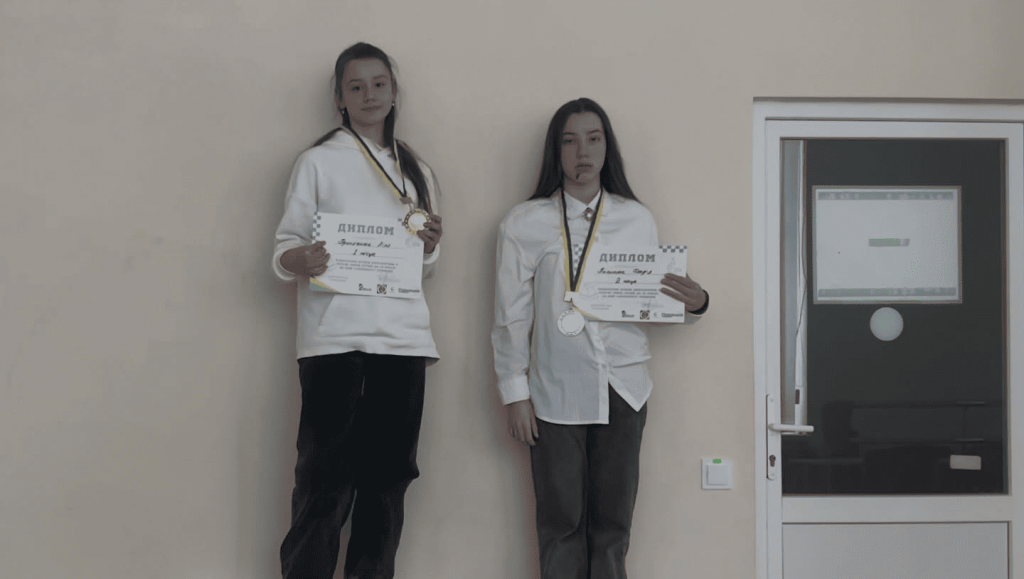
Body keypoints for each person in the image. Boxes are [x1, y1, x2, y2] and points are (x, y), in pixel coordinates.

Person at [492, 98, 708, 579]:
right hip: (554, 392)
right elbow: (510, 316)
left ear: (608, 147)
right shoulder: (524, 223)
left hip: (625, 388)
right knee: (561, 524)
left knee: (613, 527)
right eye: (569, 141)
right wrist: (515, 393)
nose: (582, 152)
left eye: (593, 139)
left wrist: (696, 304)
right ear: (555, 151)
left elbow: (649, 301)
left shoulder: (637, 219)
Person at [272, 42, 443, 579]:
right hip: (334, 342)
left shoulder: (418, 170)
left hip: (403, 343)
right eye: (356, 86)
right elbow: (285, 249)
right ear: (340, 99)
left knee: (388, 485)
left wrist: (430, 247)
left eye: (379, 84)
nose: (369, 94)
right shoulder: (317, 162)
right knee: (323, 483)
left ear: (393, 92)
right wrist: (300, 258)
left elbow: (425, 266)